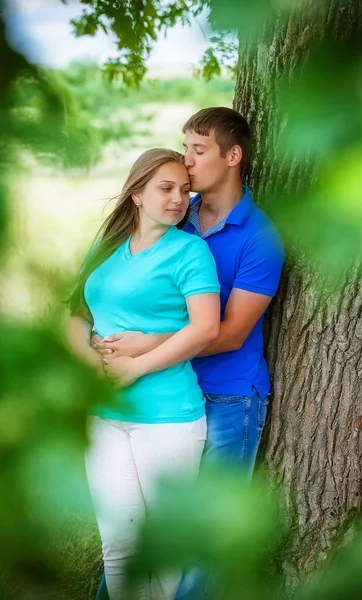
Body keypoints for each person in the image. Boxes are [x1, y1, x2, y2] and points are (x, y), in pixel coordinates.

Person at [93, 107, 285, 600]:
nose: (187, 162)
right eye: (185, 149)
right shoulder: (180, 215)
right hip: (168, 388)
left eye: (198, 151)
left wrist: (142, 345)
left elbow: (230, 332)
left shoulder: (260, 238)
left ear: (233, 156)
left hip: (228, 395)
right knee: (132, 528)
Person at [66, 148, 220, 600]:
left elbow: (206, 327)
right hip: (106, 417)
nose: (178, 199)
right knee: (118, 543)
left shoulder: (191, 252)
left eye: (184, 190)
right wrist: (94, 365)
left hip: (168, 418)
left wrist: (135, 365)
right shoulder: (106, 247)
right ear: (137, 194)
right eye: (166, 188)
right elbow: (75, 314)